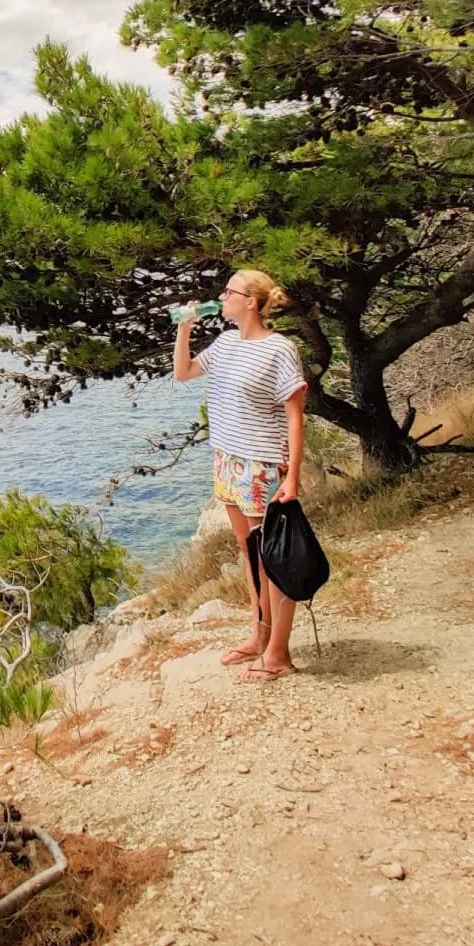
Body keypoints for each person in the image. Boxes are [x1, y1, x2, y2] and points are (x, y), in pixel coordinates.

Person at [172, 268, 308, 682]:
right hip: (227, 461)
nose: (221, 297)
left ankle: (279, 653)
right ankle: (259, 636)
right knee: (251, 557)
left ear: (250, 301)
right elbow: (184, 372)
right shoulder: (227, 342)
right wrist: (185, 328)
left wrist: (293, 477)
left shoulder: (279, 349)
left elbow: (295, 416)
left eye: (228, 292)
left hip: (261, 465)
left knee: (273, 561)